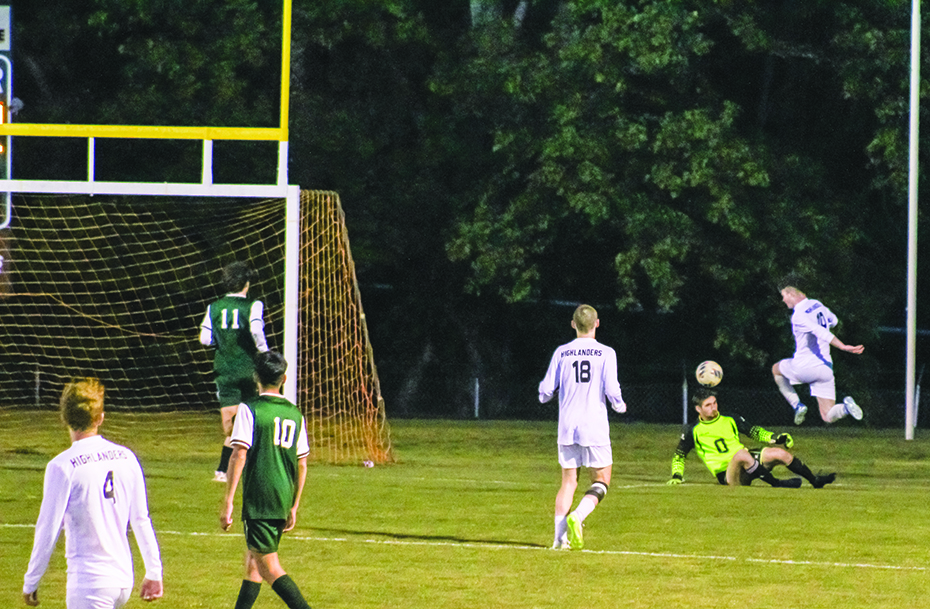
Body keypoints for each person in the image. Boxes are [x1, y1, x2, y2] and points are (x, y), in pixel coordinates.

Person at [23, 378, 164, 608]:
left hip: (90, 582)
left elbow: (47, 528)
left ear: (64, 418)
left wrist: (31, 581)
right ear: (100, 418)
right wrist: (154, 571)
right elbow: (140, 519)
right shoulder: (126, 457)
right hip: (122, 580)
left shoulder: (63, 466)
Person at [220, 350, 312, 609]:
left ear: (255, 377)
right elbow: (302, 463)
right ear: (283, 378)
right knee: (254, 563)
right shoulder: (295, 413)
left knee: (269, 567)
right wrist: (294, 505)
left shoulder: (250, 409)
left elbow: (239, 454)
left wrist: (228, 501)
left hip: (260, 498)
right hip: (283, 496)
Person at [538, 304, 627, 551]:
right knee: (602, 480)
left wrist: (545, 397)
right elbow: (611, 389)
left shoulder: (561, 352)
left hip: (567, 427)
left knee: (568, 482)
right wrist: (620, 406)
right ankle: (577, 515)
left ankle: (558, 540)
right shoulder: (606, 352)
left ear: (573, 324)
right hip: (594, 426)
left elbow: (545, 391)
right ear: (597, 324)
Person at [667, 388, 836, 489]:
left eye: (714, 403)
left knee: (780, 454)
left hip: (748, 461)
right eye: (708, 405)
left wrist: (775, 438)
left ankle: (815, 481)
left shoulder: (729, 418)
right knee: (741, 454)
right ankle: (777, 484)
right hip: (728, 475)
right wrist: (676, 475)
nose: (713, 408)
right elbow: (679, 455)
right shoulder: (693, 430)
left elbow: (754, 431)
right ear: (698, 409)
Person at [199, 261, 269, 481]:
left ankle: (222, 470)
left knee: (231, 426)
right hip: (248, 370)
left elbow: (205, 338)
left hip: (224, 371)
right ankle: (254, 466)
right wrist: (264, 352)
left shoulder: (214, 307)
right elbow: (256, 329)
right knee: (252, 420)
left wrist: (221, 341)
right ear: (246, 284)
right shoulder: (254, 305)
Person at [772, 279, 865, 425]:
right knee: (827, 416)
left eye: (783, 295)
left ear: (790, 293)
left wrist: (842, 346)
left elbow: (818, 331)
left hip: (803, 367)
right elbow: (833, 321)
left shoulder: (798, 315)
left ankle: (797, 405)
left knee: (776, 369)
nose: (783, 300)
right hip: (825, 369)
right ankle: (846, 408)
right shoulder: (817, 304)